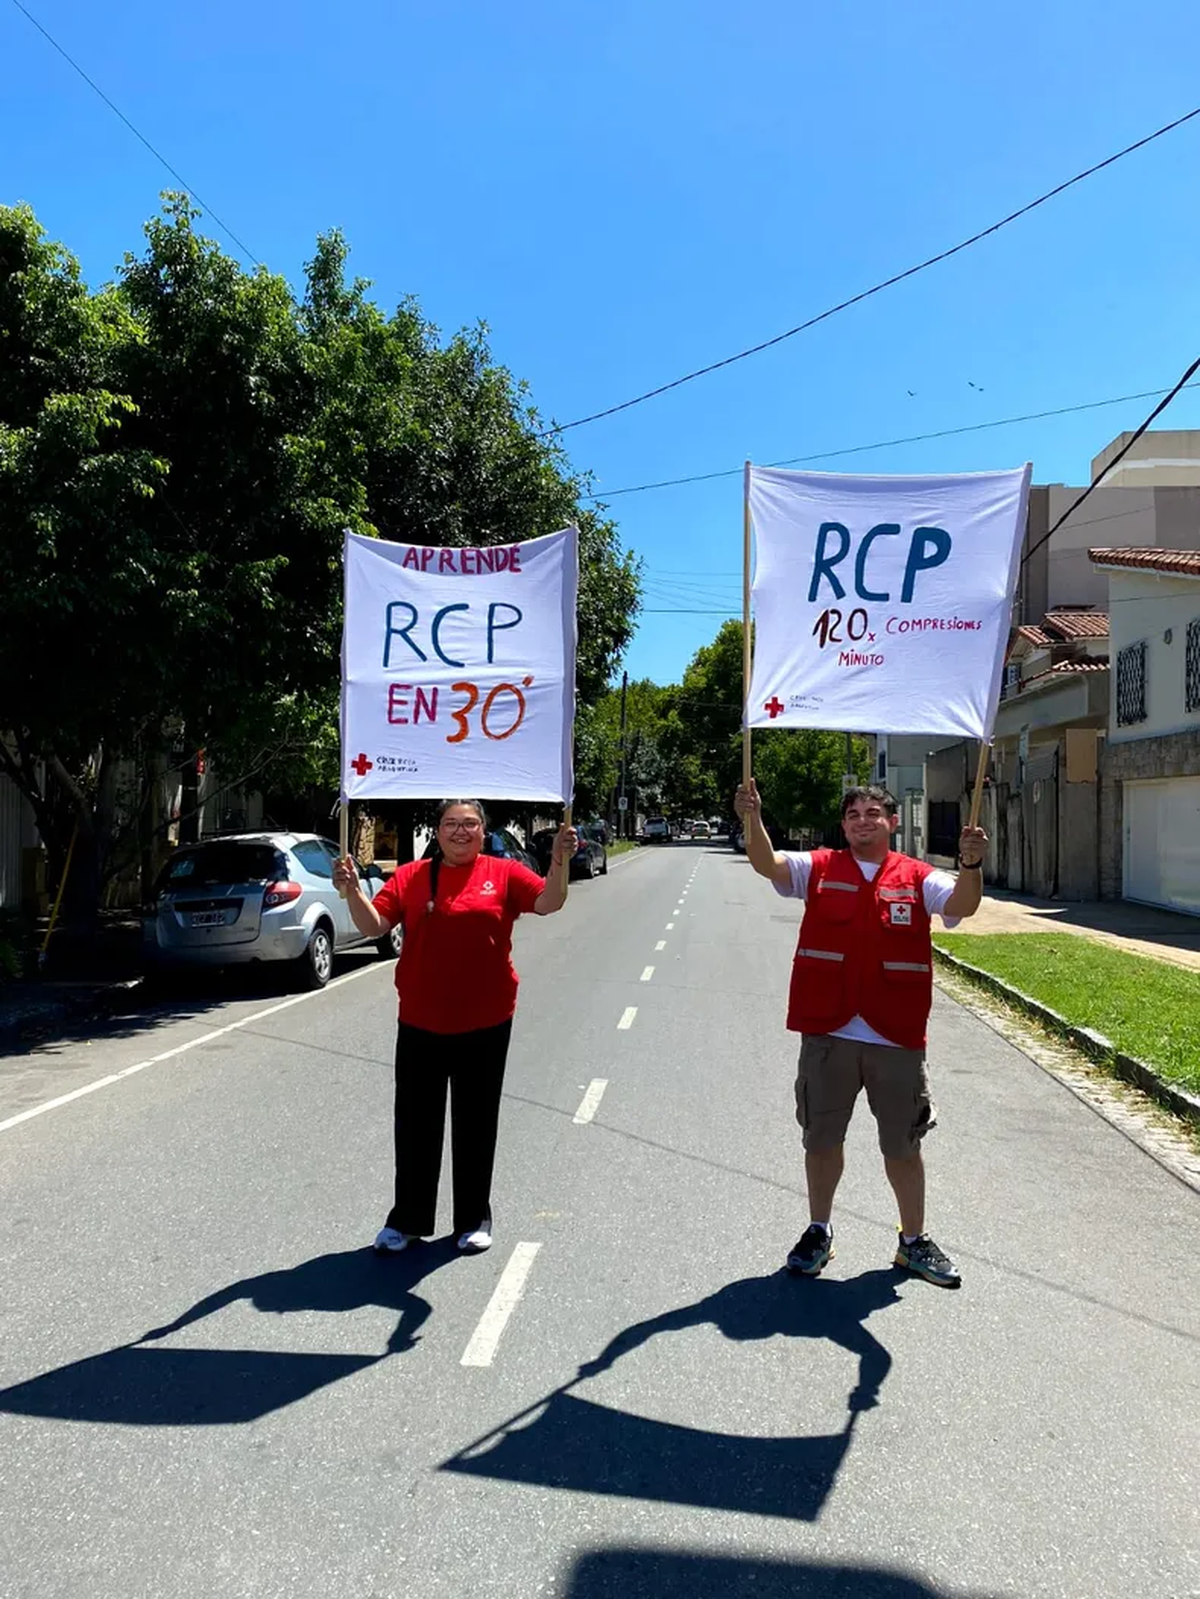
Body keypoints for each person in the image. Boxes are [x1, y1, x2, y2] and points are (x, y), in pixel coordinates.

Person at [733, 779, 986, 1288]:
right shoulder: (819, 867)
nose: (862, 820)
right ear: (843, 824)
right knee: (821, 1139)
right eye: (853, 814)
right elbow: (768, 865)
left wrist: (972, 863)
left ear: (892, 822)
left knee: (903, 1146)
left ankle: (913, 1242)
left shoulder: (917, 877)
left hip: (895, 1036)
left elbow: (964, 904)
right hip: (829, 1031)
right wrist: (751, 819)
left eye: (873, 813)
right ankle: (818, 1231)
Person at [334, 800, 576, 1257]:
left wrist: (559, 860)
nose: (460, 832)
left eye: (470, 824)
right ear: (437, 832)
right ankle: (406, 1220)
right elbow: (375, 925)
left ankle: (473, 1218)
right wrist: (351, 893)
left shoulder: (503, 873)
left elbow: (550, 901)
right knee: (415, 1124)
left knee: (476, 1122)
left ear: (484, 831)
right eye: (451, 824)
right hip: (421, 1020)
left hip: (486, 1021)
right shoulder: (409, 876)